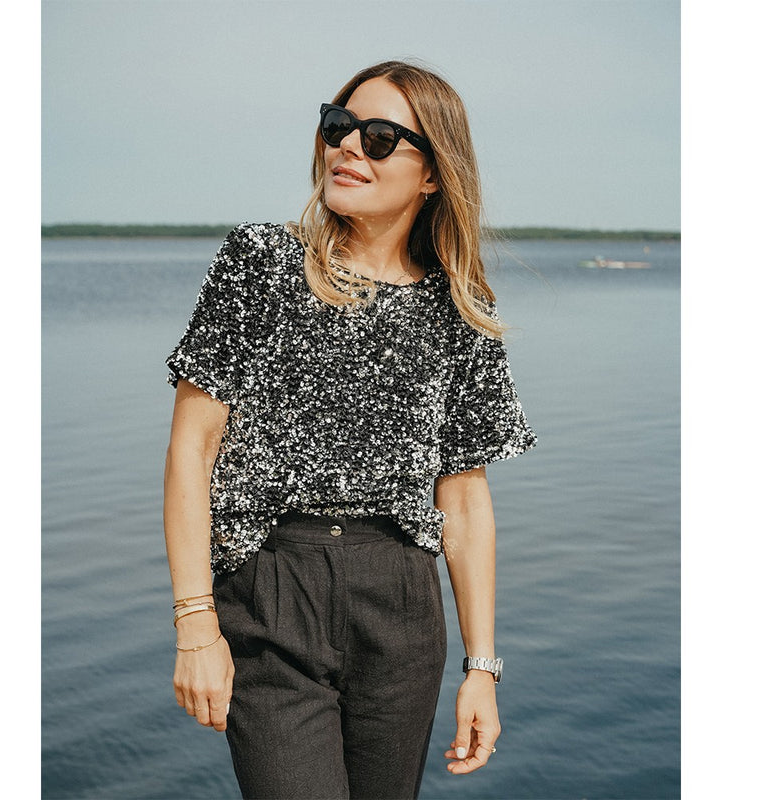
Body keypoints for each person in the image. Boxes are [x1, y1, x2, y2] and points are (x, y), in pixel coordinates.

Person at [163, 60, 537, 800]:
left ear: (433, 175)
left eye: (379, 138)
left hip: (401, 606)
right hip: (272, 591)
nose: (348, 147)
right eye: (339, 126)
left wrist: (482, 670)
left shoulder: (460, 308)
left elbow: (464, 504)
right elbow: (191, 451)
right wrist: (195, 623)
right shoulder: (260, 262)